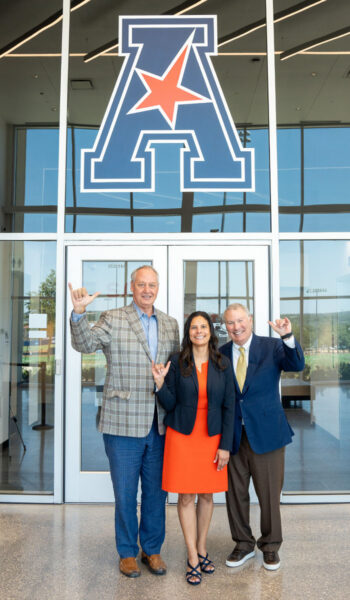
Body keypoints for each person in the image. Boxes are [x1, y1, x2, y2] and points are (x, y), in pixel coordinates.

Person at [69, 266, 179, 578]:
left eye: (152, 284)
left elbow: (177, 373)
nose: (147, 289)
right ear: (132, 287)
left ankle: (152, 550)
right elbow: (85, 344)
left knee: (157, 494)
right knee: (126, 493)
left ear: (158, 287)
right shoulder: (114, 318)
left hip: (160, 424)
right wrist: (79, 315)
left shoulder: (170, 324)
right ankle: (128, 552)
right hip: (122, 423)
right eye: (142, 284)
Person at [152, 311, 235, 585]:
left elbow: (229, 407)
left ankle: (202, 548)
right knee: (186, 496)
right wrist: (160, 384)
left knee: (208, 496)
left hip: (212, 437)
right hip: (183, 437)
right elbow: (170, 403)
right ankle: (191, 555)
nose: (199, 331)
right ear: (188, 333)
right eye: (193, 327)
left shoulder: (223, 362)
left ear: (211, 331)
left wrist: (225, 446)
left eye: (203, 326)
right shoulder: (177, 361)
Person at [220, 303, 305, 571]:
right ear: (226, 327)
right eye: (231, 323)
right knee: (235, 494)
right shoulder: (220, 354)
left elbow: (296, 364)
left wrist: (287, 337)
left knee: (268, 494)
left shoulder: (272, 346)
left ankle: (270, 546)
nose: (237, 327)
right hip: (233, 435)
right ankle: (243, 544)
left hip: (267, 433)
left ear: (251, 320)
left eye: (241, 321)